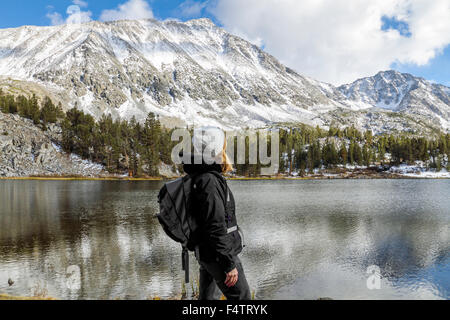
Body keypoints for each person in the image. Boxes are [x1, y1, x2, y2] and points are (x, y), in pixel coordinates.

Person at [183, 127, 251, 300]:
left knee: (207, 299)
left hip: (207, 252)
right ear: (216, 148)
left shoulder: (203, 176)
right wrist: (229, 264)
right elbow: (215, 225)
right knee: (242, 298)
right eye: (223, 145)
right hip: (218, 255)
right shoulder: (209, 181)